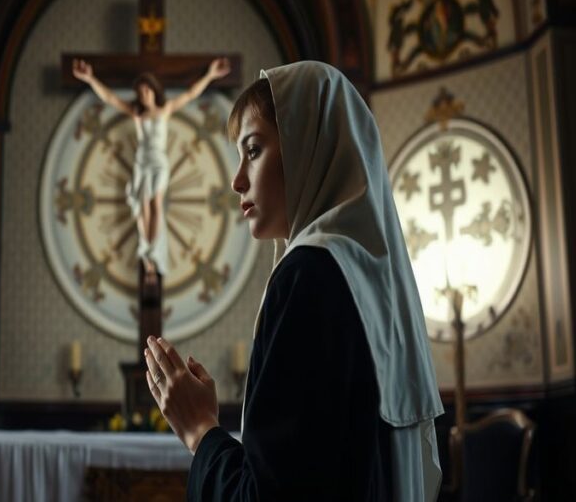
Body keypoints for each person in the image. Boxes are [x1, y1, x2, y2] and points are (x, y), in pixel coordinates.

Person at [143, 61, 444, 501]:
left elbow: (272, 496)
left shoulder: (309, 275)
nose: (236, 180)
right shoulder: (374, 283)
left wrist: (200, 430)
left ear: (308, 149)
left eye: (254, 149)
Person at [72, 57, 231, 278]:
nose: (144, 95)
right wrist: (90, 78)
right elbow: (110, 97)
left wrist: (210, 75)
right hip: (142, 163)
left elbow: (191, 94)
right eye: (140, 92)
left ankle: (151, 250)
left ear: (154, 91)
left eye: (147, 91)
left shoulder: (165, 109)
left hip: (159, 163)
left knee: (156, 202)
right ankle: (147, 250)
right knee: (143, 203)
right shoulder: (137, 114)